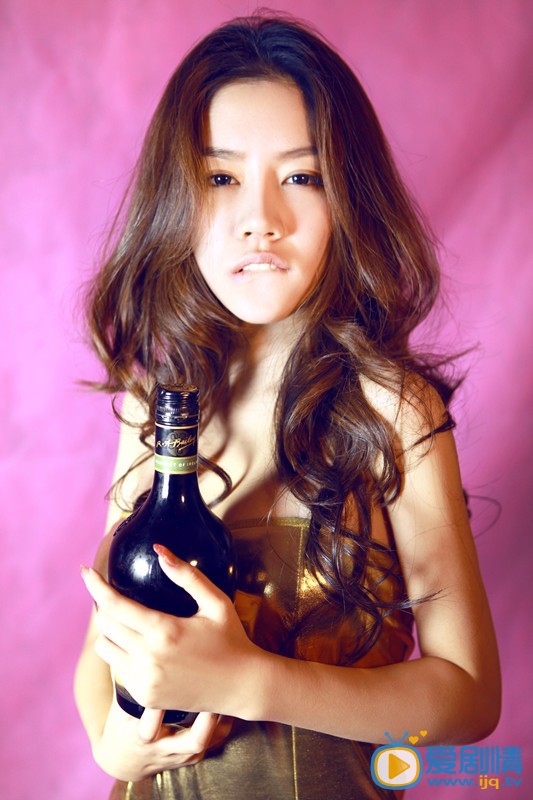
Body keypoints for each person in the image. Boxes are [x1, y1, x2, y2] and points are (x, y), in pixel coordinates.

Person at [74, 12, 501, 800]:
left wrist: (247, 682)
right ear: (177, 200)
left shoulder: (390, 409)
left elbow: (469, 697)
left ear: (347, 200)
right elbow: (101, 651)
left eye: (302, 177)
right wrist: (118, 749)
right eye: (220, 178)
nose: (260, 220)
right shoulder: (156, 409)